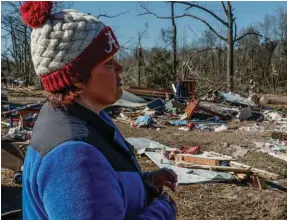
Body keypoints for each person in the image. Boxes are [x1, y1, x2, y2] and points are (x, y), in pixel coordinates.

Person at [20, 2, 177, 219]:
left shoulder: (87, 118)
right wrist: (164, 210)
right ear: (78, 79)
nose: (120, 68)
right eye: (109, 62)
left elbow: (101, 187)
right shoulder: (73, 157)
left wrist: (144, 184)